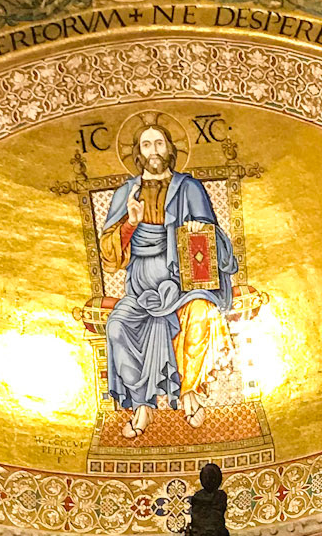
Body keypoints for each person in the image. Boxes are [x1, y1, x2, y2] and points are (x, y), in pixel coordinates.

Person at [100, 122, 236, 438]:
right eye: (146, 145)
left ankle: (189, 393)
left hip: (183, 284)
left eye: (159, 143)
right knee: (117, 326)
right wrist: (130, 223)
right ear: (138, 153)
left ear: (170, 149)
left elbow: (211, 236)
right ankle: (142, 406)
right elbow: (108, 253)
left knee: (201, 312)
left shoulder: (190, 189)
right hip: (141, 287)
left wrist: (196, 238)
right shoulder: (126, 193)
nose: (154, 151)